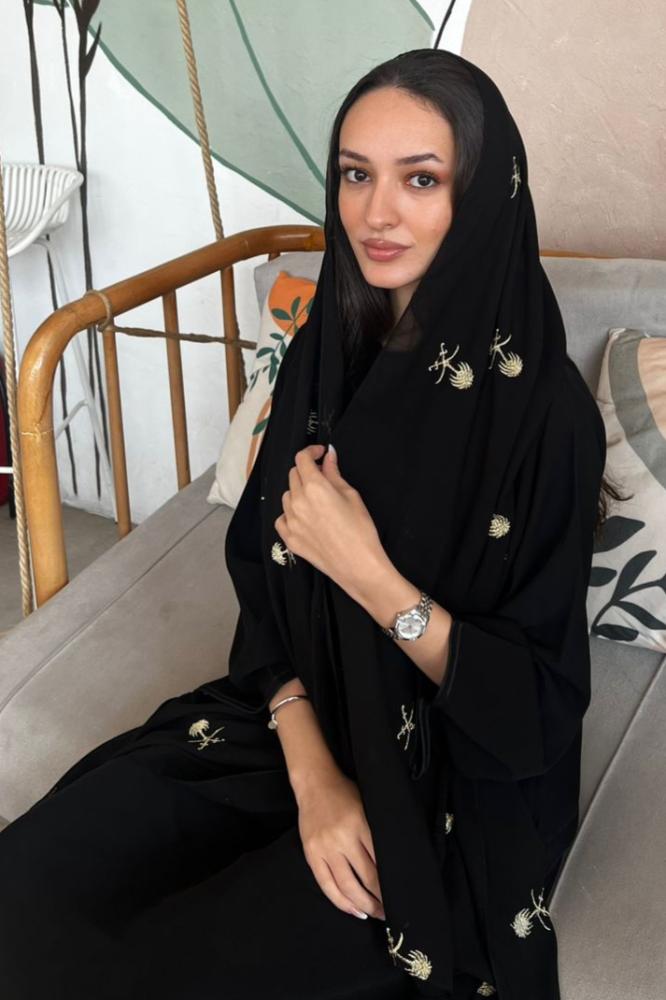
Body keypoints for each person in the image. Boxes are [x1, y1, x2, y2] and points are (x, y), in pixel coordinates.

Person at [0, 49, 609, 1000]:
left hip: (444, 785)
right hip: (292, 720)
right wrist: (312, 772)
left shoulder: (546, 419)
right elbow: (263, 572)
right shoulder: (330, 348)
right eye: (356, 175)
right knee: (32, 882)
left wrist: (369, 574)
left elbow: (537, 709)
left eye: (421, 180)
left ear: (485, 193)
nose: (376, 213)